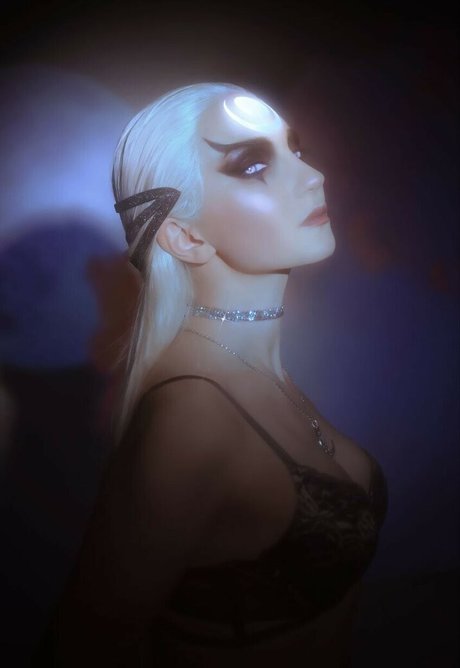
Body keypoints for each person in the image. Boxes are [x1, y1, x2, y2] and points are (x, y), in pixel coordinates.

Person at [53, 82, 388, 667]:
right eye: (254, 165)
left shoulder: (250, 374)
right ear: (184, 235)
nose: (314, 176)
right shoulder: (193, 415)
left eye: (295, 149)